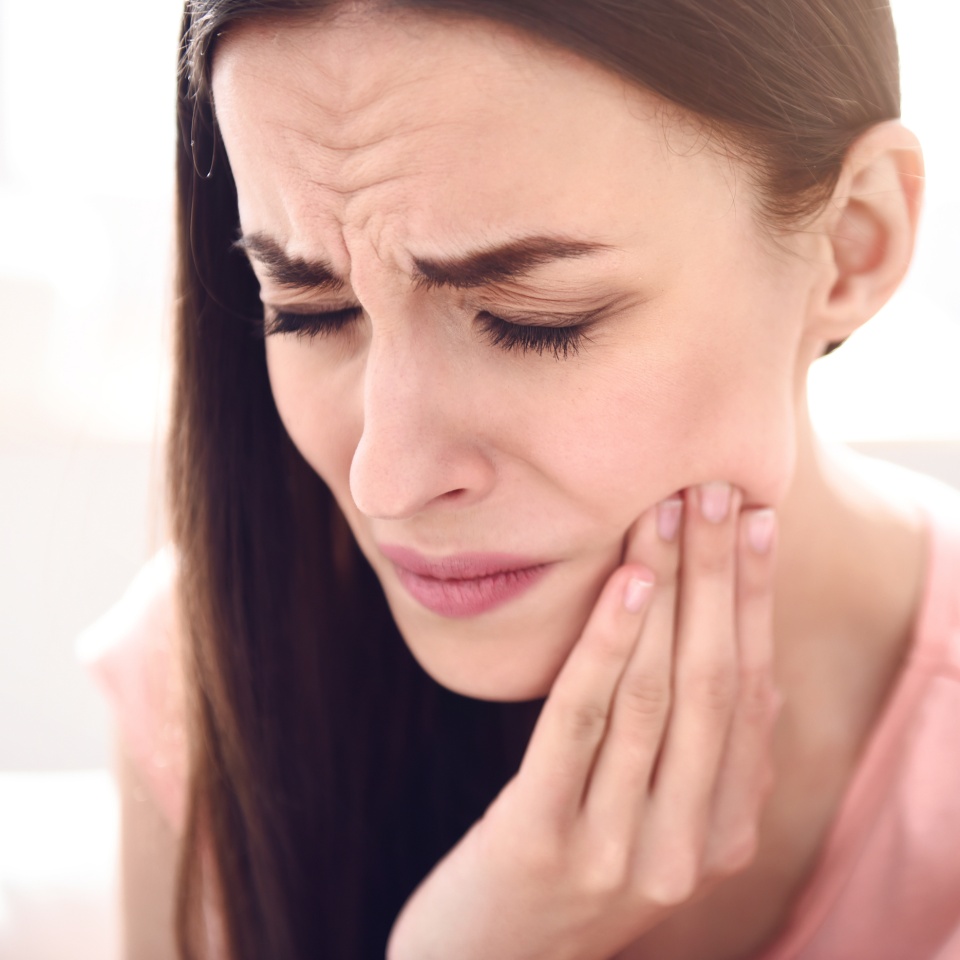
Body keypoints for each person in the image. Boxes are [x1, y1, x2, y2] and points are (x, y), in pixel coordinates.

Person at [76, 0, 960, 958]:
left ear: (854, 241)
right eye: (308, 308)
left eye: (533, 319)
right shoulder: (205, 671)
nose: (386, 481)